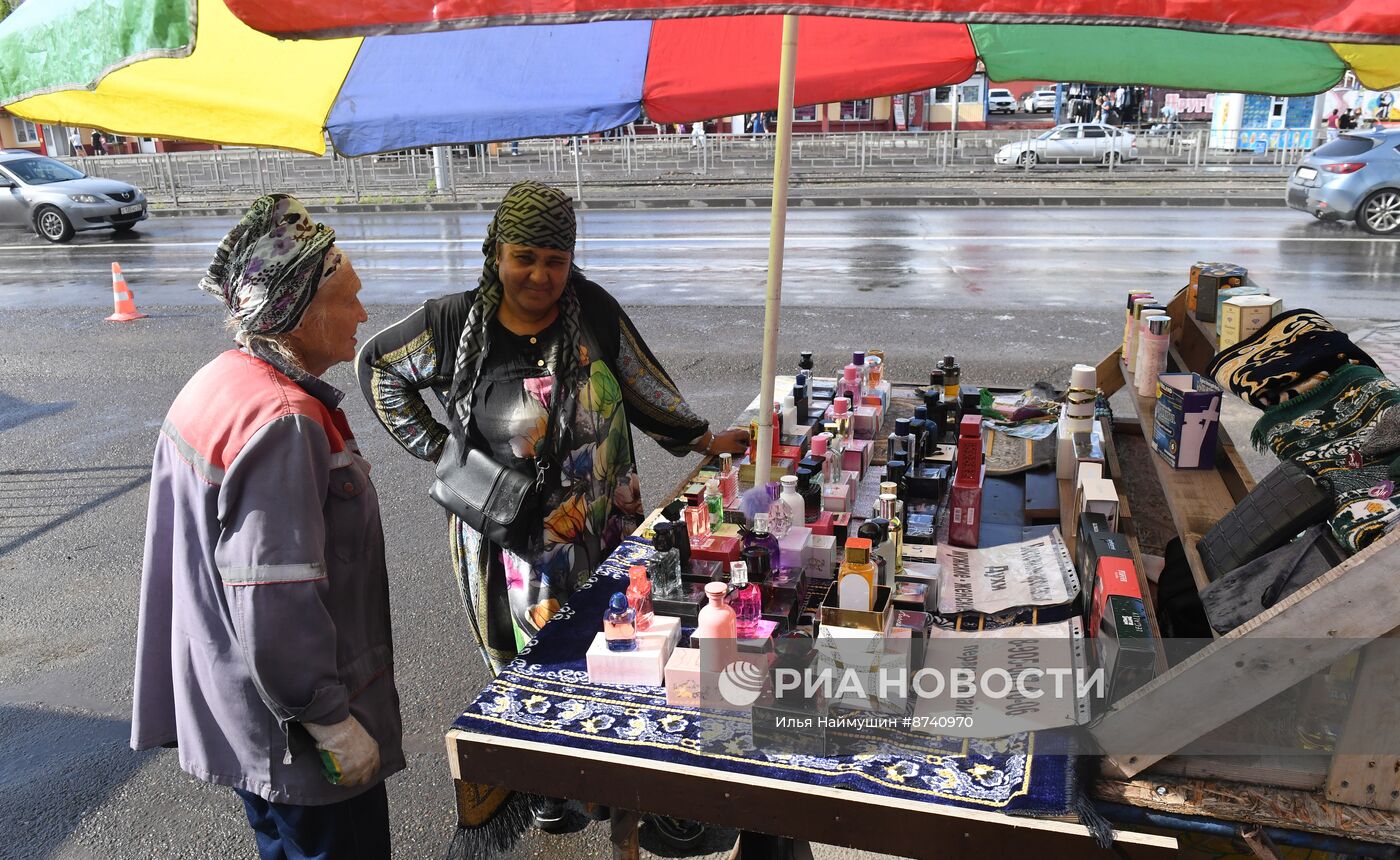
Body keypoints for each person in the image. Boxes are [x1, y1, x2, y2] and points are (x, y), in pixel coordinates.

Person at [358, 179, 747, 673]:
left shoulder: (592, 309)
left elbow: (641, 383)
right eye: (524, 257)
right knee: (544, 667)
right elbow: (378, 368)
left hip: (605, 523)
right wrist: (441, 449)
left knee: (623, 645)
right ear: (496, 252)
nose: (540, 275)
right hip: (514, 542)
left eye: (555, 261)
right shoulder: (453, 324)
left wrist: (705, 439)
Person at [132, 193, 403, 859]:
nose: (363, 315)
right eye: (349, 298)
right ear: (299, 310)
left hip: (245, 711)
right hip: (299, 738)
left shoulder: (223, 377)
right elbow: (275, 592)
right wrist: (330, 721)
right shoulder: (285, 421)